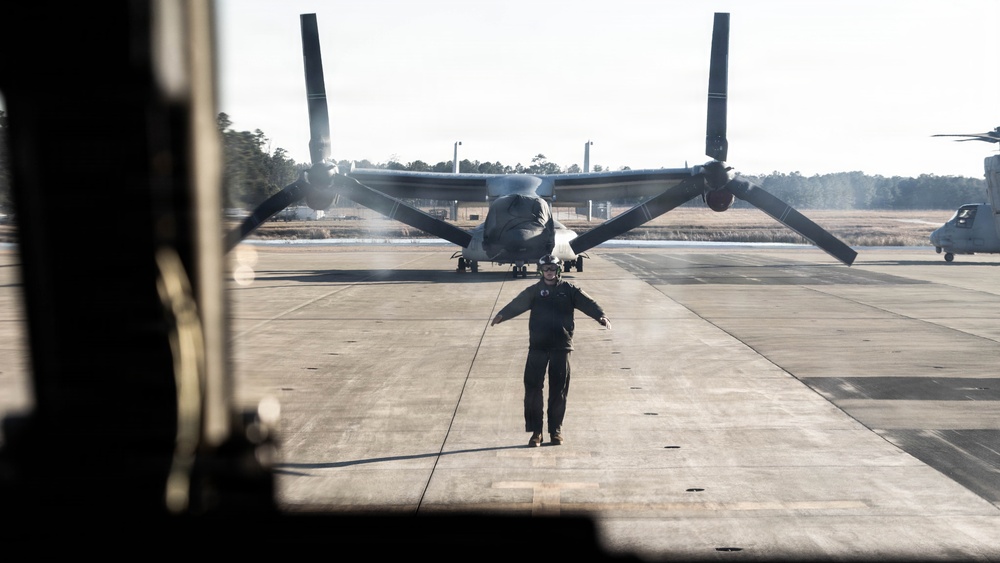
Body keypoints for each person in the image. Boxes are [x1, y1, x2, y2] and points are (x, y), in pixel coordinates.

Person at [490, 254, 611, 447]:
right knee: (533, 390)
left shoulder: (569, 290)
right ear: (540, 271)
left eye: (552, 269)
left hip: (561, 347)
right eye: (546, 269)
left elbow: (588, 303)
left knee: (559, 390)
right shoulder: (534, 291)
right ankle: (536, 432)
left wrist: (601, 316)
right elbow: (517, 304)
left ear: (558, 270)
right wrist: (502, 315)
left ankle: (555, 430)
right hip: (538, 346)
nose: (549, 272)